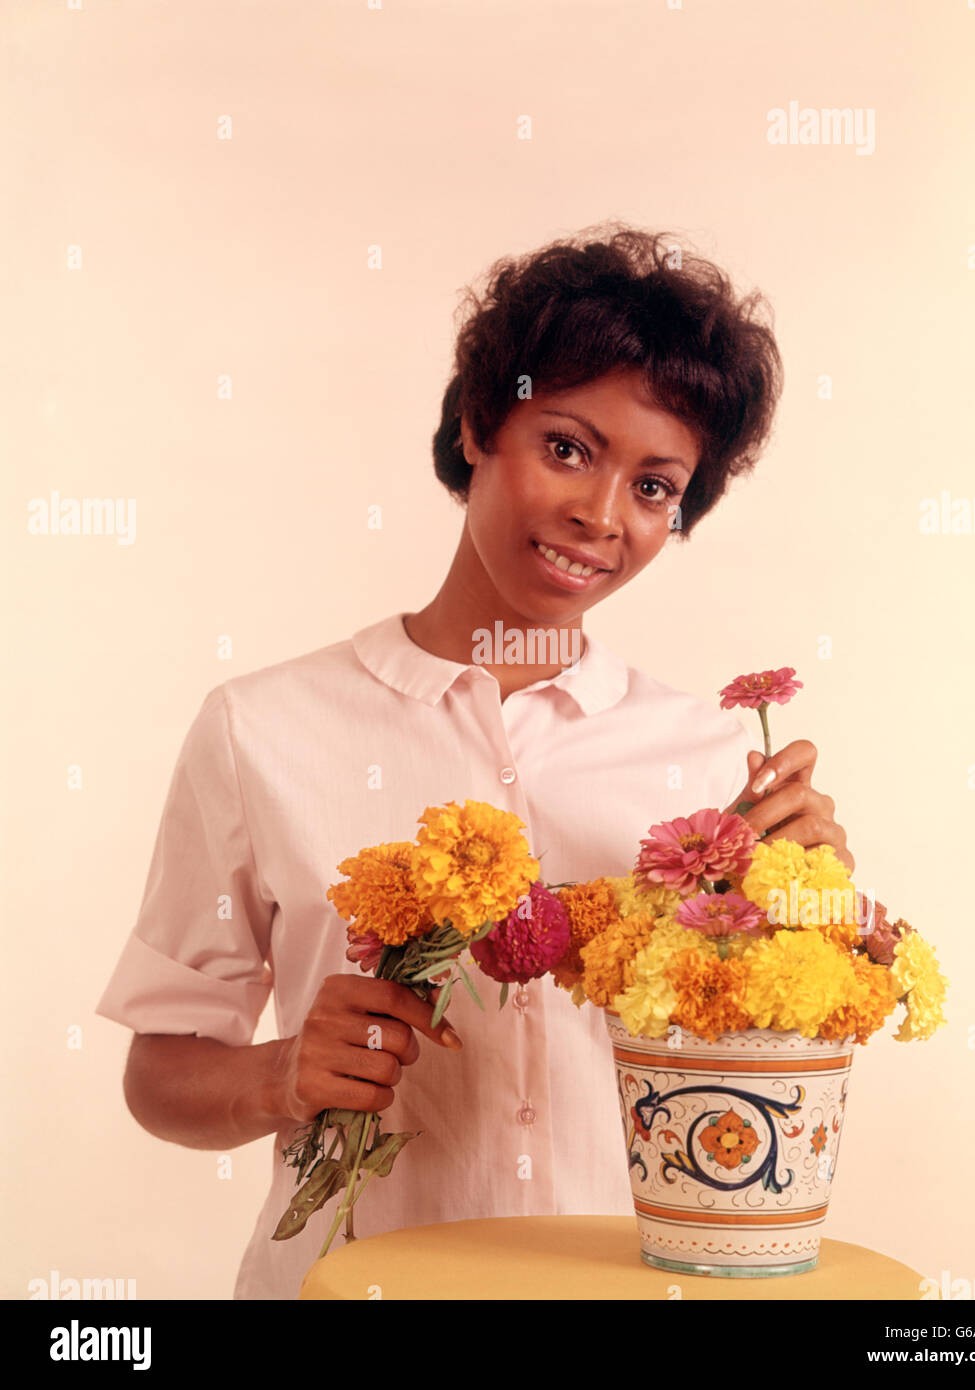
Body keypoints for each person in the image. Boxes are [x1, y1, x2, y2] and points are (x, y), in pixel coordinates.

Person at [96, 222, 854, 1300]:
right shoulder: (259, 727)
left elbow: (755, 1083)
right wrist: (278, 1072)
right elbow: (159, 1069)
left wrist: (807, 902)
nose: (600, 517)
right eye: (566, 448)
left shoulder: (706, 759)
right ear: (475, 425)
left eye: (653, 486)